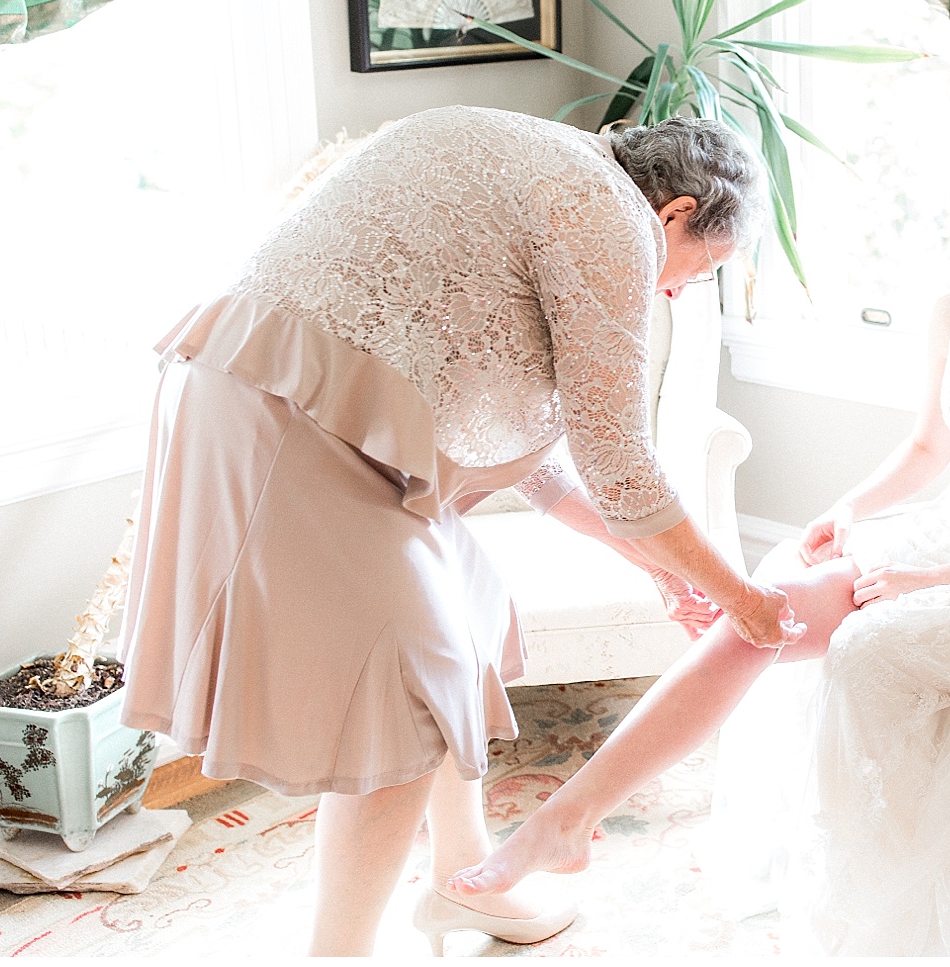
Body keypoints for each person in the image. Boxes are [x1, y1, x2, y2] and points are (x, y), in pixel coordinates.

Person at [447, 114, 950, 955]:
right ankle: (570, 815)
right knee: (771, 599)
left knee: (866, 647)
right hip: (947, 531)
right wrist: (850, 509)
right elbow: (930, 446)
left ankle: (870, 912)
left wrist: (930, 583)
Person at [117, 107, 803, 956]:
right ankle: (340, 953)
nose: (678, 290)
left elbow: (543, 470)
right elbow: (618, 462)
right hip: (284, 414)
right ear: (676, 213)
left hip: (293, 398)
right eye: (702, 269)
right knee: (408, 690)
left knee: (467, 609)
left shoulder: (557, 167)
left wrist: (667, 572)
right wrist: (741, 597)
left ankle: (459, 877)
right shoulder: (608, 216)